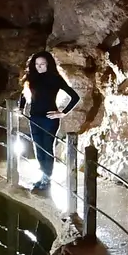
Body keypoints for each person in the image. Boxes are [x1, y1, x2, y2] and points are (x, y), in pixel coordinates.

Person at [19, 51, 80, 193]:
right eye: (37, 64)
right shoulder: (31, 78)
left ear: (48, 64)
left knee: (47, 148)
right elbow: (24, 94)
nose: (39, 67)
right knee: (38, 148)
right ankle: (43, 176)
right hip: (34, 117)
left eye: (42, 64)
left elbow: (75, 97)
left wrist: (62, 112)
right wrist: (20, 108)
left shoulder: (55, 78)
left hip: (49, 119)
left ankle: (47, 178)